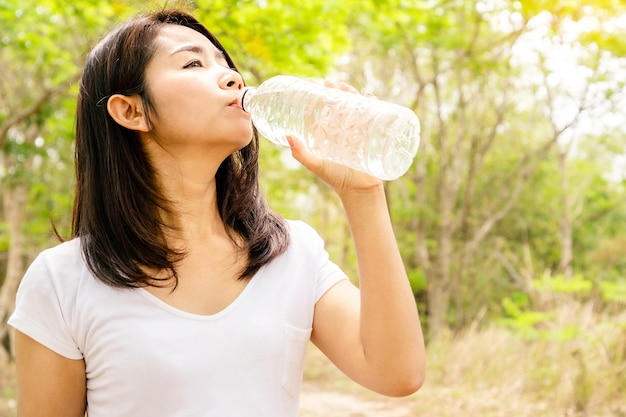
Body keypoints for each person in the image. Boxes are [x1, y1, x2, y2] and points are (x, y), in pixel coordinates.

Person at [8, 8, 425, 417]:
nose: (233, 77)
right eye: (193, 63)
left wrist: (363, 194)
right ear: (131, 111)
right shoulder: (63, 282)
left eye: (225, 64)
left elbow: (396, 373)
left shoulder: (292, 253)